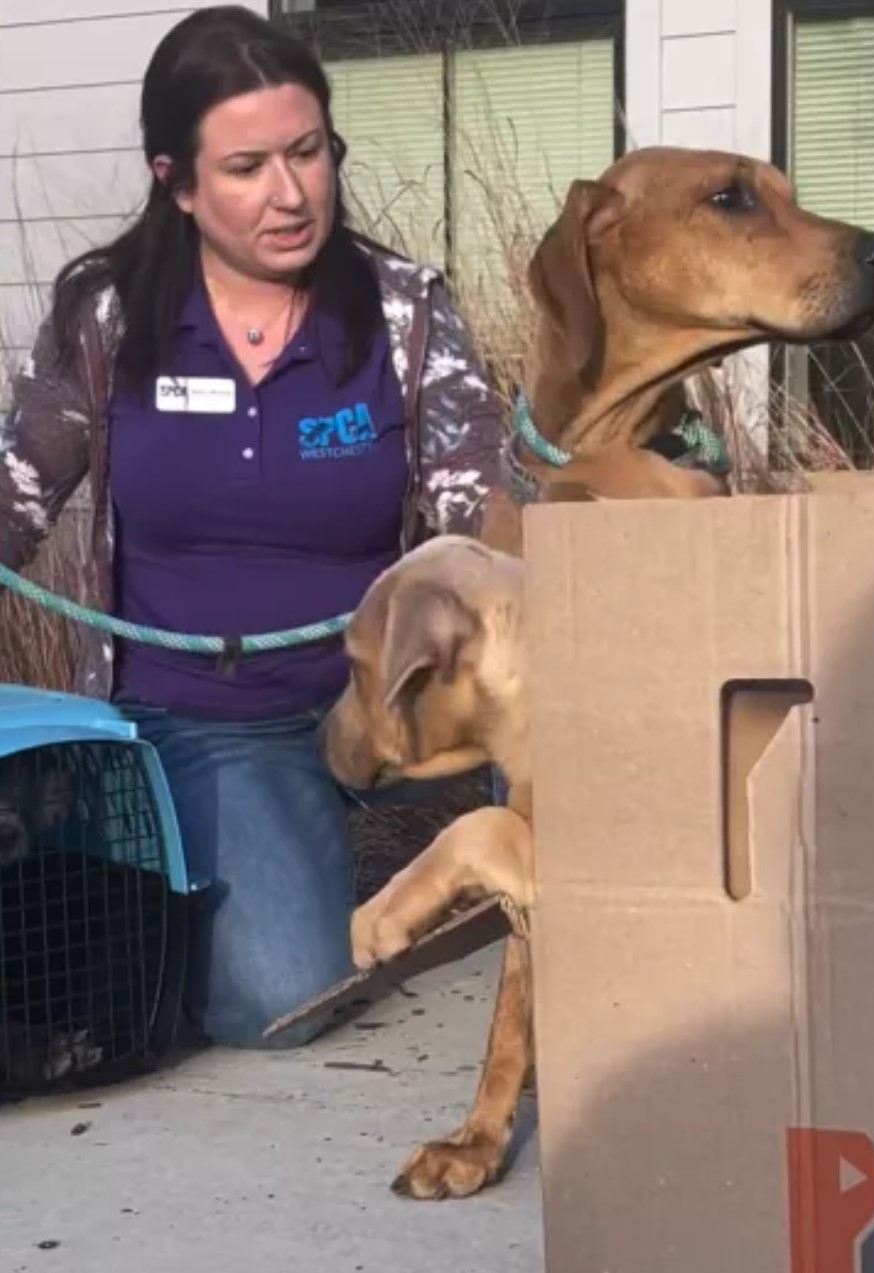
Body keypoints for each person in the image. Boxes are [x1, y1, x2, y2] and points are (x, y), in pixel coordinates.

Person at [0, 5, 505, 1049]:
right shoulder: (107, 316)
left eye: (308, 153)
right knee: (280, 999)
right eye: (246, 167)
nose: (290, 193)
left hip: (393, 698)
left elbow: (483, 519)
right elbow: (16, 495)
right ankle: (178, 897)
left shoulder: (406, 310)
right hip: (211, 718)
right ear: (176, 182)